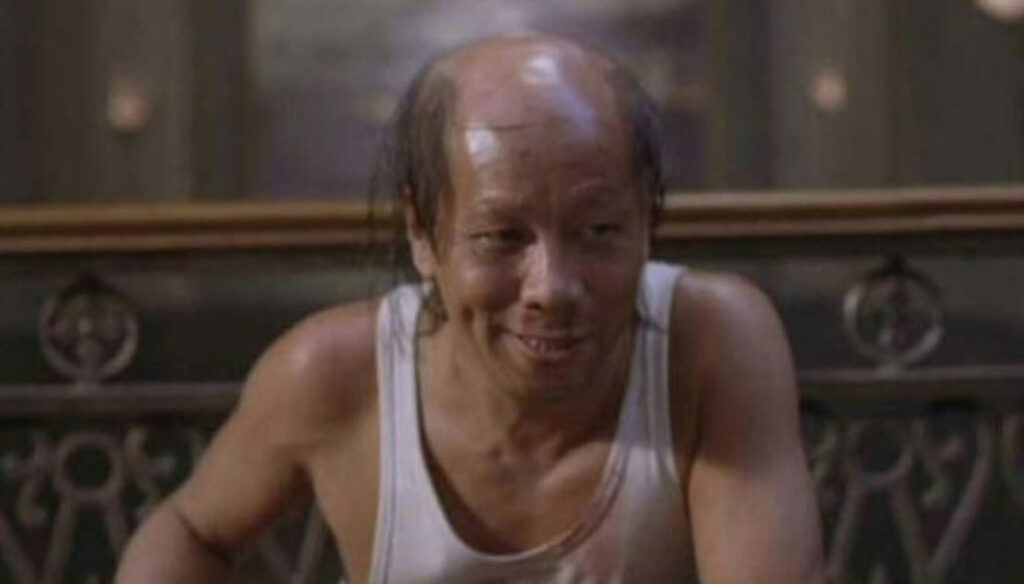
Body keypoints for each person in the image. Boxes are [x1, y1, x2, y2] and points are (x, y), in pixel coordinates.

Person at [115, 33, 827, 584]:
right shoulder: (335, 377)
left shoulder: (711, 343)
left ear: (647, 222)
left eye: (599, 230)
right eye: (501, 237)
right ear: (423, 236)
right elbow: (192, 530)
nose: (552, 286)